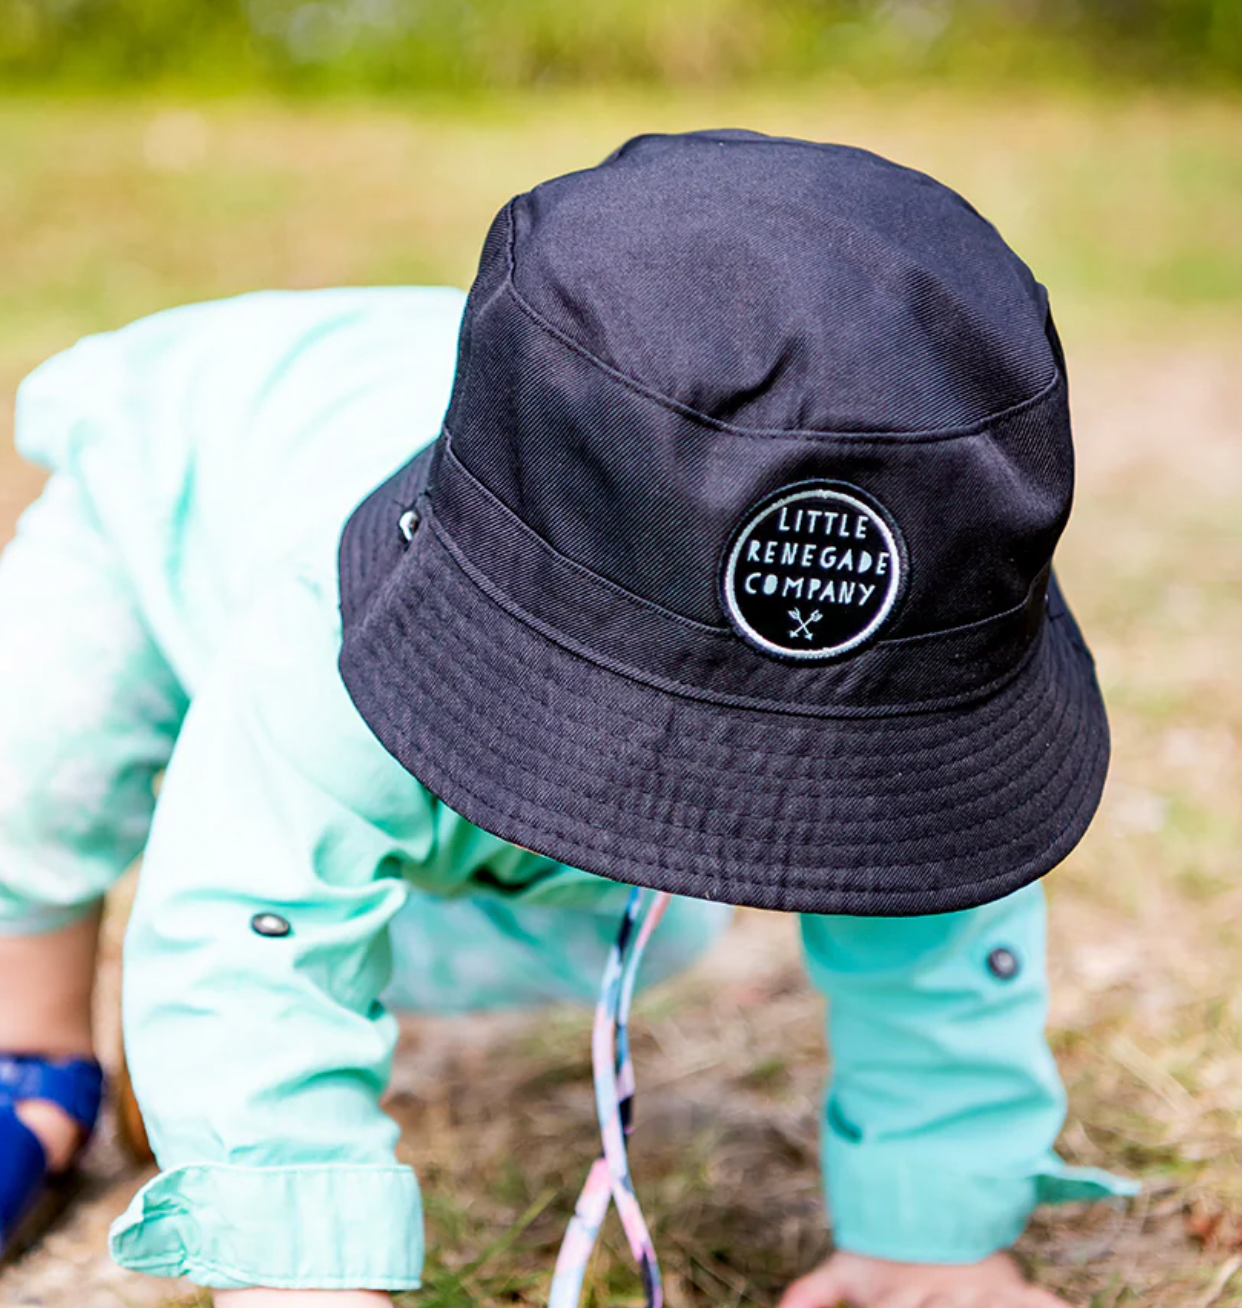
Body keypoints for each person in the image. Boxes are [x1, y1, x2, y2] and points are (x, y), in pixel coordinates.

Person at [0, 131, 1135, 1307]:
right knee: (42, 751)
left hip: (585, 610)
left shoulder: (921, 613)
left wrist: (931, 1230)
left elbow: (940, 912)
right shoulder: (323, 627)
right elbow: (253, 908)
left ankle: (208, 1034)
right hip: (179, 491)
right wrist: (297, 1267)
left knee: (609, 917)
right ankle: (32, 1045)